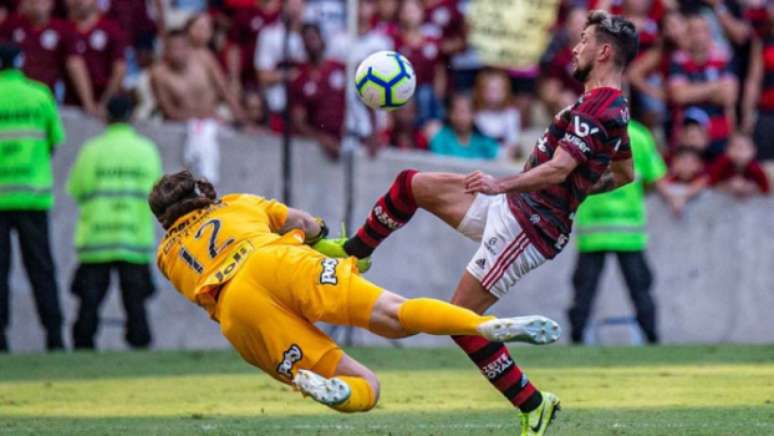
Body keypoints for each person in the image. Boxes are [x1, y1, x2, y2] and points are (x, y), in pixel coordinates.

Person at [317, 11, 638, 435]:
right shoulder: (605, 104)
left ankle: (533, 403)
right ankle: (355, 255)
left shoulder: (602, 105)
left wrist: (505, 184)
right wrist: (571, 190)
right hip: (517, 205)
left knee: (460, 319)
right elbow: (624, 173)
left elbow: (561, 169)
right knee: (412, 185)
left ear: (604, 51)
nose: (575, 48)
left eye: (583, 40)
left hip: (529, 227)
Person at [149, 170, 560, 413]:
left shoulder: (165, 255)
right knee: (396, 317)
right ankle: (484, 325)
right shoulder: (234, 203)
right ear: (203, 195)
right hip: (278, 261)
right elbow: (305, 223)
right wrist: (325, 240)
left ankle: (335, 390)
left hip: (237, 311)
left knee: (366, 385)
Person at [66, 95, 162, 350]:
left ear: (106, 116)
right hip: (133, 237)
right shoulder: (146, 150)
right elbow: (156, 194)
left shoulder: (91, 150)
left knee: (89, 302)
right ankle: (140, 348)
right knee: (136, 302)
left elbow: (77, 189)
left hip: (97, 237)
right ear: (132, 116)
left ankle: (82, 347)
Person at [568, 119, 668, 345]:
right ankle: (652, 339)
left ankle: (576, 339)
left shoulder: (584, 133)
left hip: (594, 229)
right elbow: (656, 178)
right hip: (628, 230)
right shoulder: (639, 135)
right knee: (640, 289)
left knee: (584, 291)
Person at [0, 42, 65, 352]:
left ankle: (1, 340)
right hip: (33, 197)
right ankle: (54, 336)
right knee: (41, 269)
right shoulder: (39, 95)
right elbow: (54, 141)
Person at [150, 29, 245, 184]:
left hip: (216, 116)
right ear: (166, 51)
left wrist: (239, 116)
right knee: (200, 134)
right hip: (185, 124)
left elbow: (224, 90)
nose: (178, 53)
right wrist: (202, 116)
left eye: (182, 48)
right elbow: (168, 111)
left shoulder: (204, 58)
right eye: (173, 49)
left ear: (189, 48)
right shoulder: (159, 74)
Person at [64, 0, 127, 117]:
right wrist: (89, 106)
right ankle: (89, 105)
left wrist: (105, 103)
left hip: (107, 101)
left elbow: (120, 68)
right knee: (74, 62)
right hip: (72, 103)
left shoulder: (111, 28)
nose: (79, 2)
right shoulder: (64, 29)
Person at [427, 93, 499, 160]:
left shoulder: (485, 143)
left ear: (474, 114)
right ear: (449, 114)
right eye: (456, 112)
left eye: (465, 112)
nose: (461, 117)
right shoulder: (440, 139)